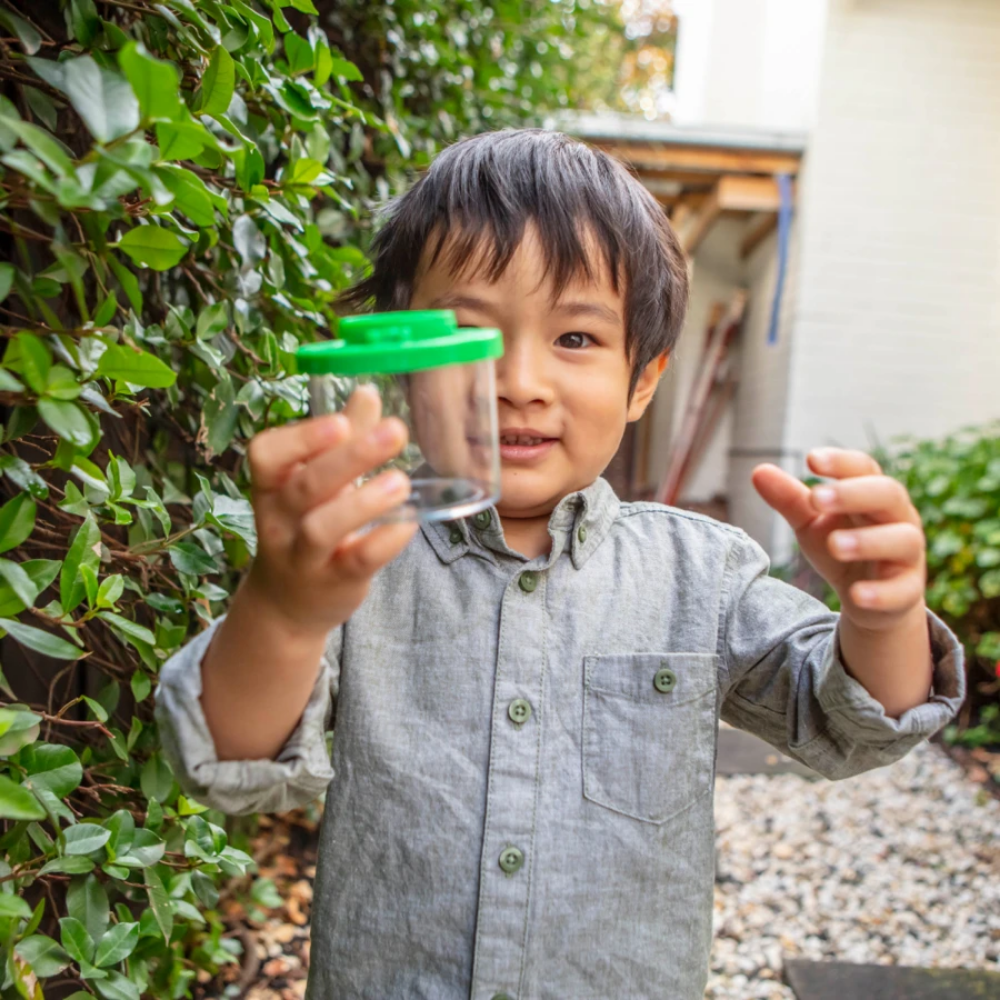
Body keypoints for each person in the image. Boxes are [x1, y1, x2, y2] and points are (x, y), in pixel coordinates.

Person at [155, 128, 966, 1000]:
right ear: (400, 358)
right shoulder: (356, 564)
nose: (519, 379)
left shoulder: (701, 573)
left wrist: (882, 618)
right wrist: (284, 611)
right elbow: (229, 764)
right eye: (467, 336)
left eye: (576, 338)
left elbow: (848, 723)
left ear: (643, 380)